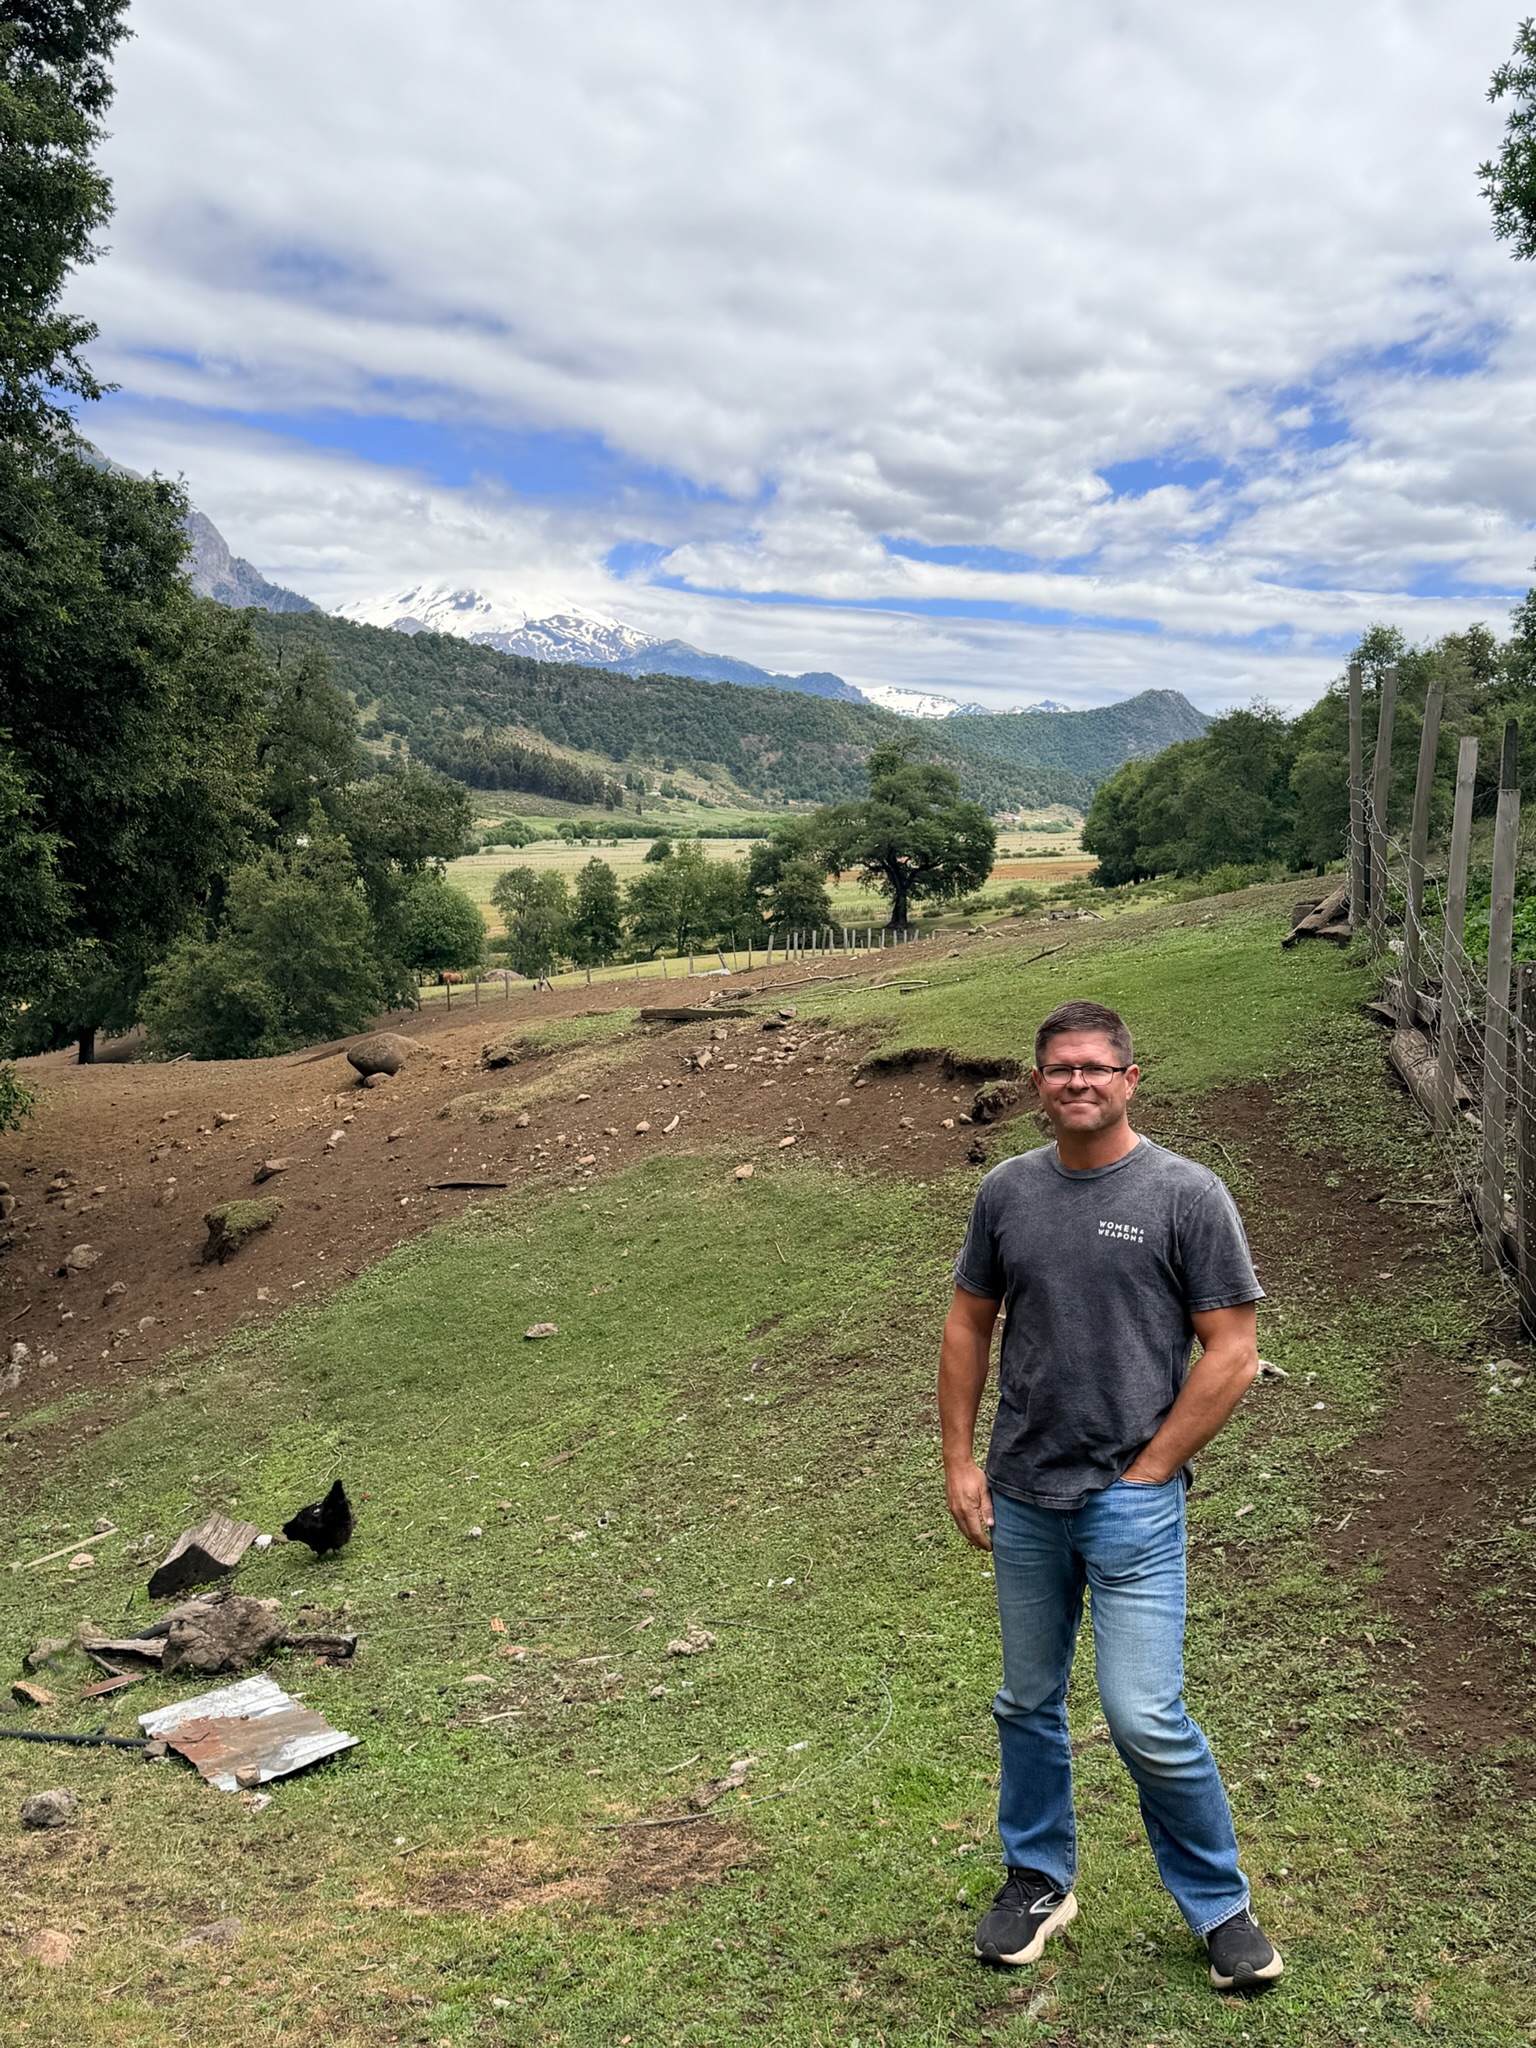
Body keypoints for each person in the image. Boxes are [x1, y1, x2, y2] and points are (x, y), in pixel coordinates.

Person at [938, 998, 1282, 1994]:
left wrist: (1150, 1469)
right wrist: (961, 1462)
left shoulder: (1186, 1193)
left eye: (1096, 1066)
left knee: (1144, 1714)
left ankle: (1220, 1905)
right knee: (1028, 1700)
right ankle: (1039, 1877)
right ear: (1037, 1085)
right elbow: (968, 1325)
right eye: (1059, 1068)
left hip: (1132, 1501)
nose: (1078, 1080)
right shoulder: (1008, 1193)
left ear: (1132, 1079)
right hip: (1024, 1494)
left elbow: (1234, 1349)